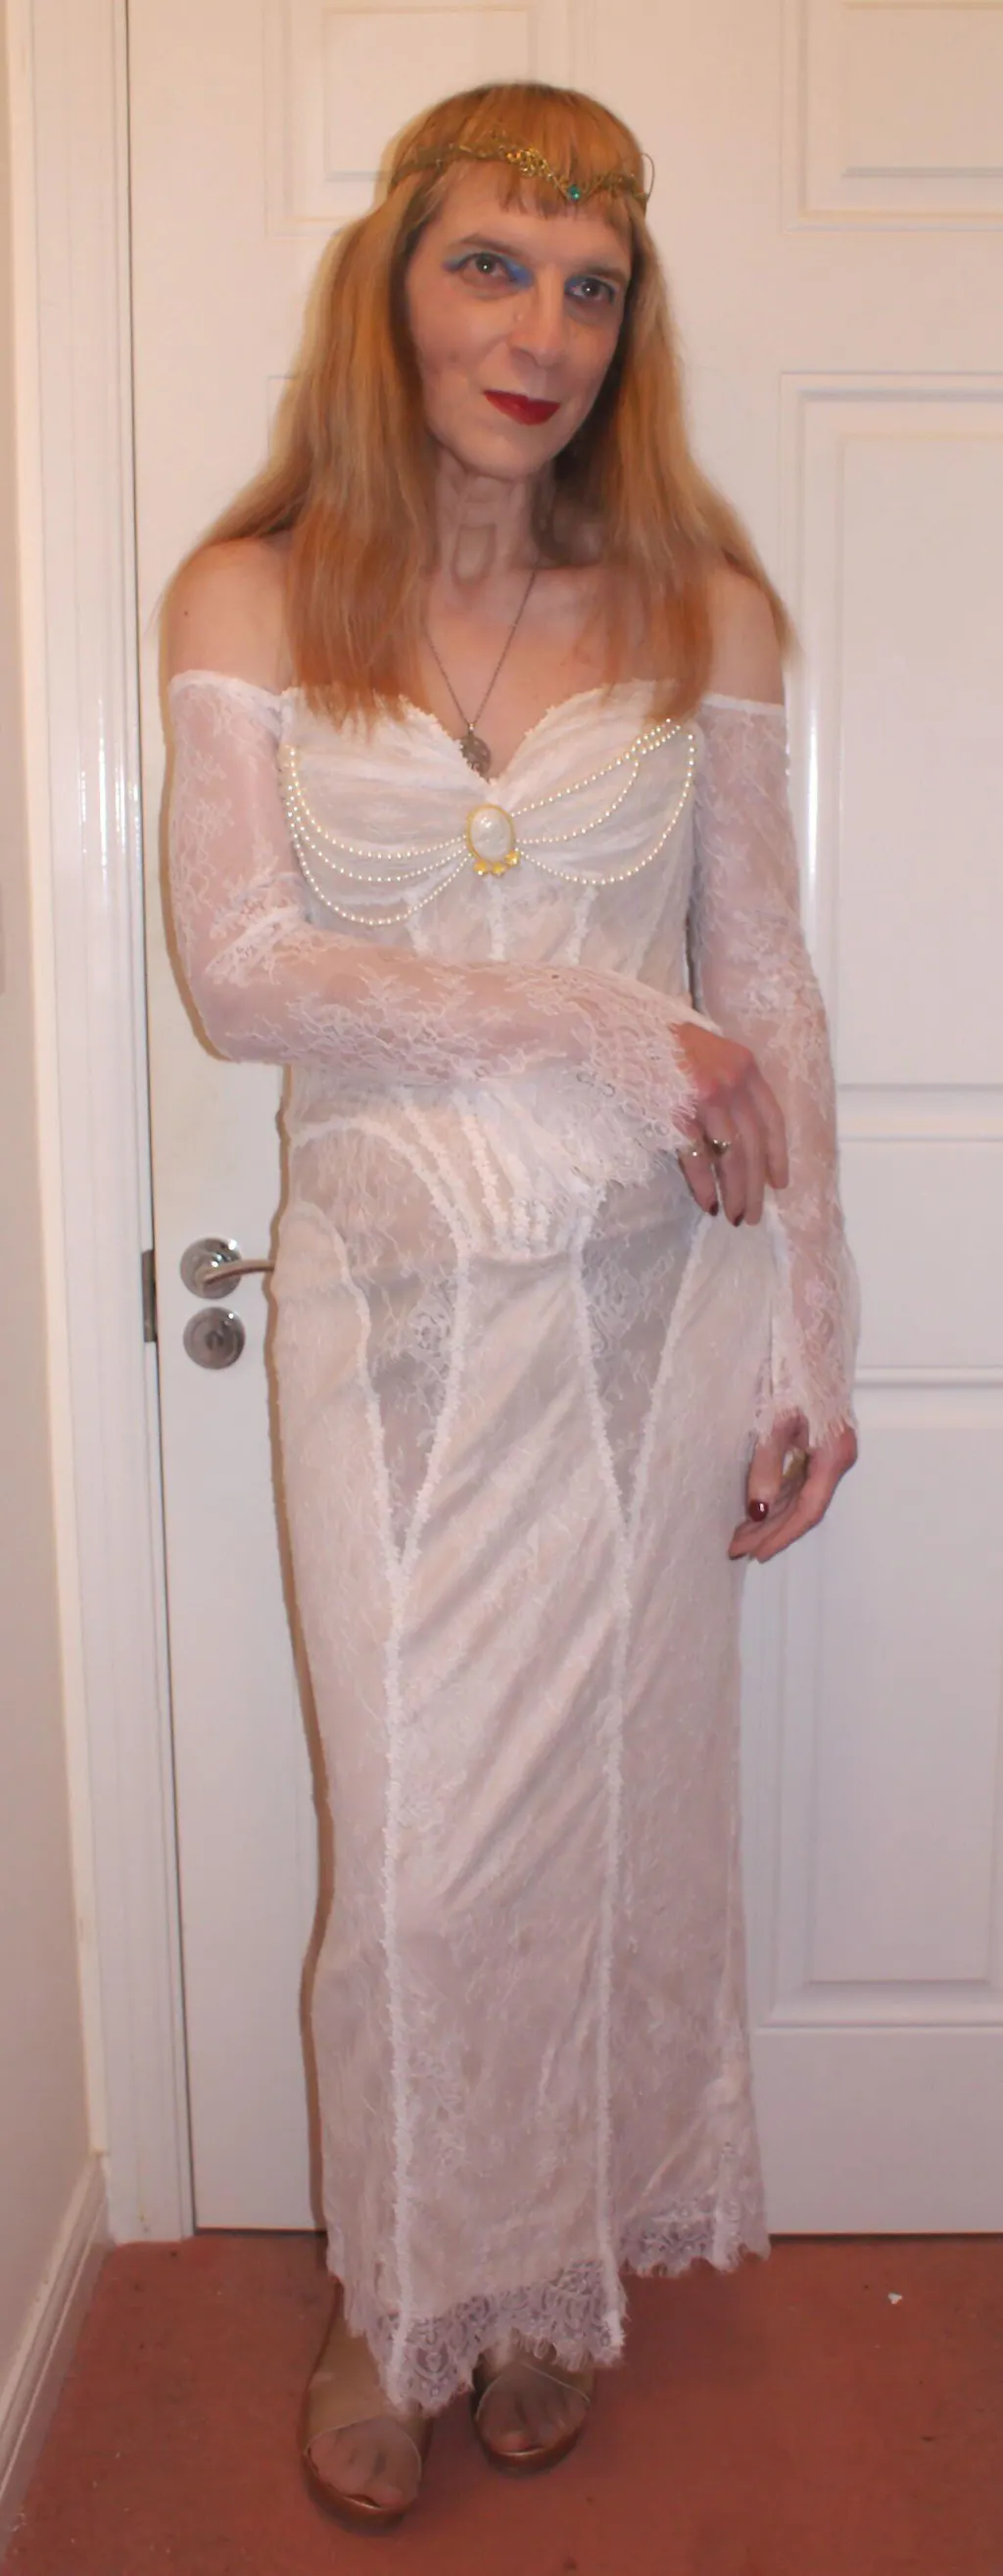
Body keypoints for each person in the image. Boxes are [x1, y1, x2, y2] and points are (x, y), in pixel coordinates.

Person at [163, 78, 858, 2534]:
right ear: (395, 282)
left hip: (649, 1315)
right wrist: (597, 1020)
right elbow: (243, 976)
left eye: (586, 285)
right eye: (490, 264)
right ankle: (396, 2285)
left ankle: (548, 2274)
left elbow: (765, 997)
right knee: (419, 1852)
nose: (538, 328)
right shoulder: (251, 592)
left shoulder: (700, 606)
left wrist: (812, 1336)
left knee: (614, 1826)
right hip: (386, 1322)